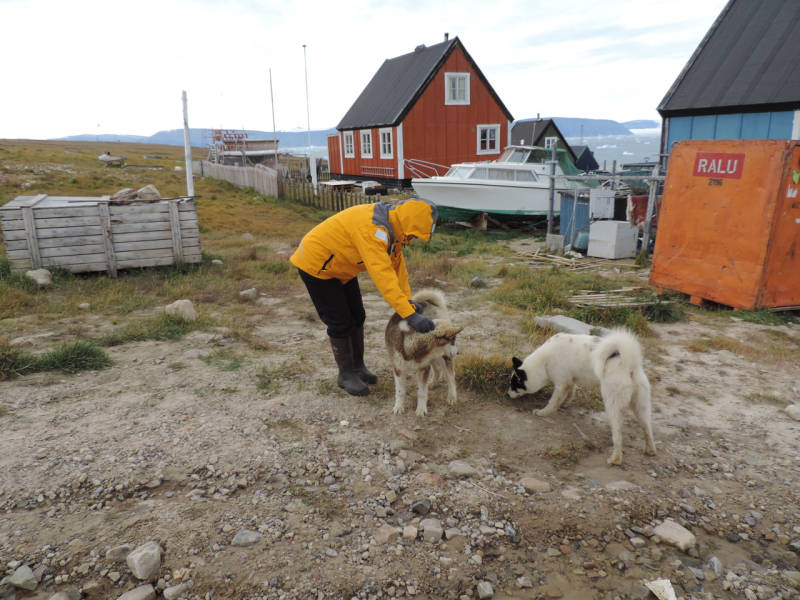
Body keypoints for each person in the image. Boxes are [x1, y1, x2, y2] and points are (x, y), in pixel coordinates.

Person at [290, 198, 438, 396]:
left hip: (341, 268)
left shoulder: (394, 230)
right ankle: (345, 374)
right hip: (317, 265)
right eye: (413, 235)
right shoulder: (373, 231)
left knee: (357, 315)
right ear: (408, 224)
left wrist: (408, 303)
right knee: (340, 321)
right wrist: (409, 315)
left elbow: (397, 268)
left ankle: (358, 367)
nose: (412, 240)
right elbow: (383, 276)